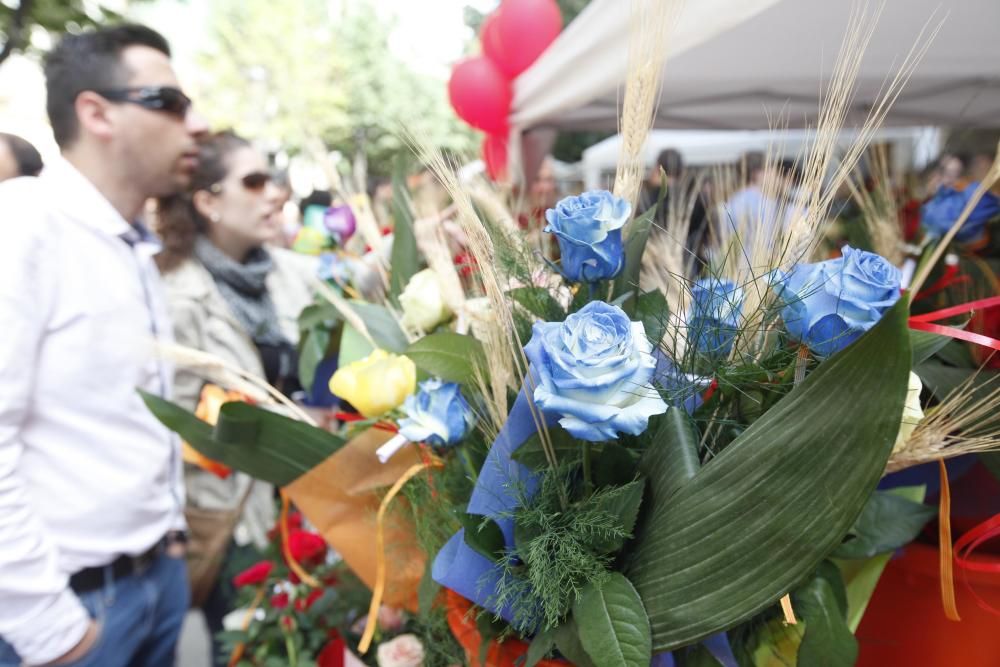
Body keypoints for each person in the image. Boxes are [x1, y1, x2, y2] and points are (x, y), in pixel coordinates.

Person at [0, 24, 208, 667]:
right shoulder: (24, 226)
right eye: (168, 103)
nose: (194, 124)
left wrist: (167, 543)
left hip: (153, 581)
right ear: (96, 113)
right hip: (74, 610)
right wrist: (51, 631)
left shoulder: (127, 244)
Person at [154, 130, 317, 667]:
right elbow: (173, 430)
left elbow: (360, 283)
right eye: (254, 181)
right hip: (236, 526)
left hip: (312, 509)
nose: (275, 193)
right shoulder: (176, 295)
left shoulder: (288, 273)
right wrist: (281, 421)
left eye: (273, 178)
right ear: (208, 202)